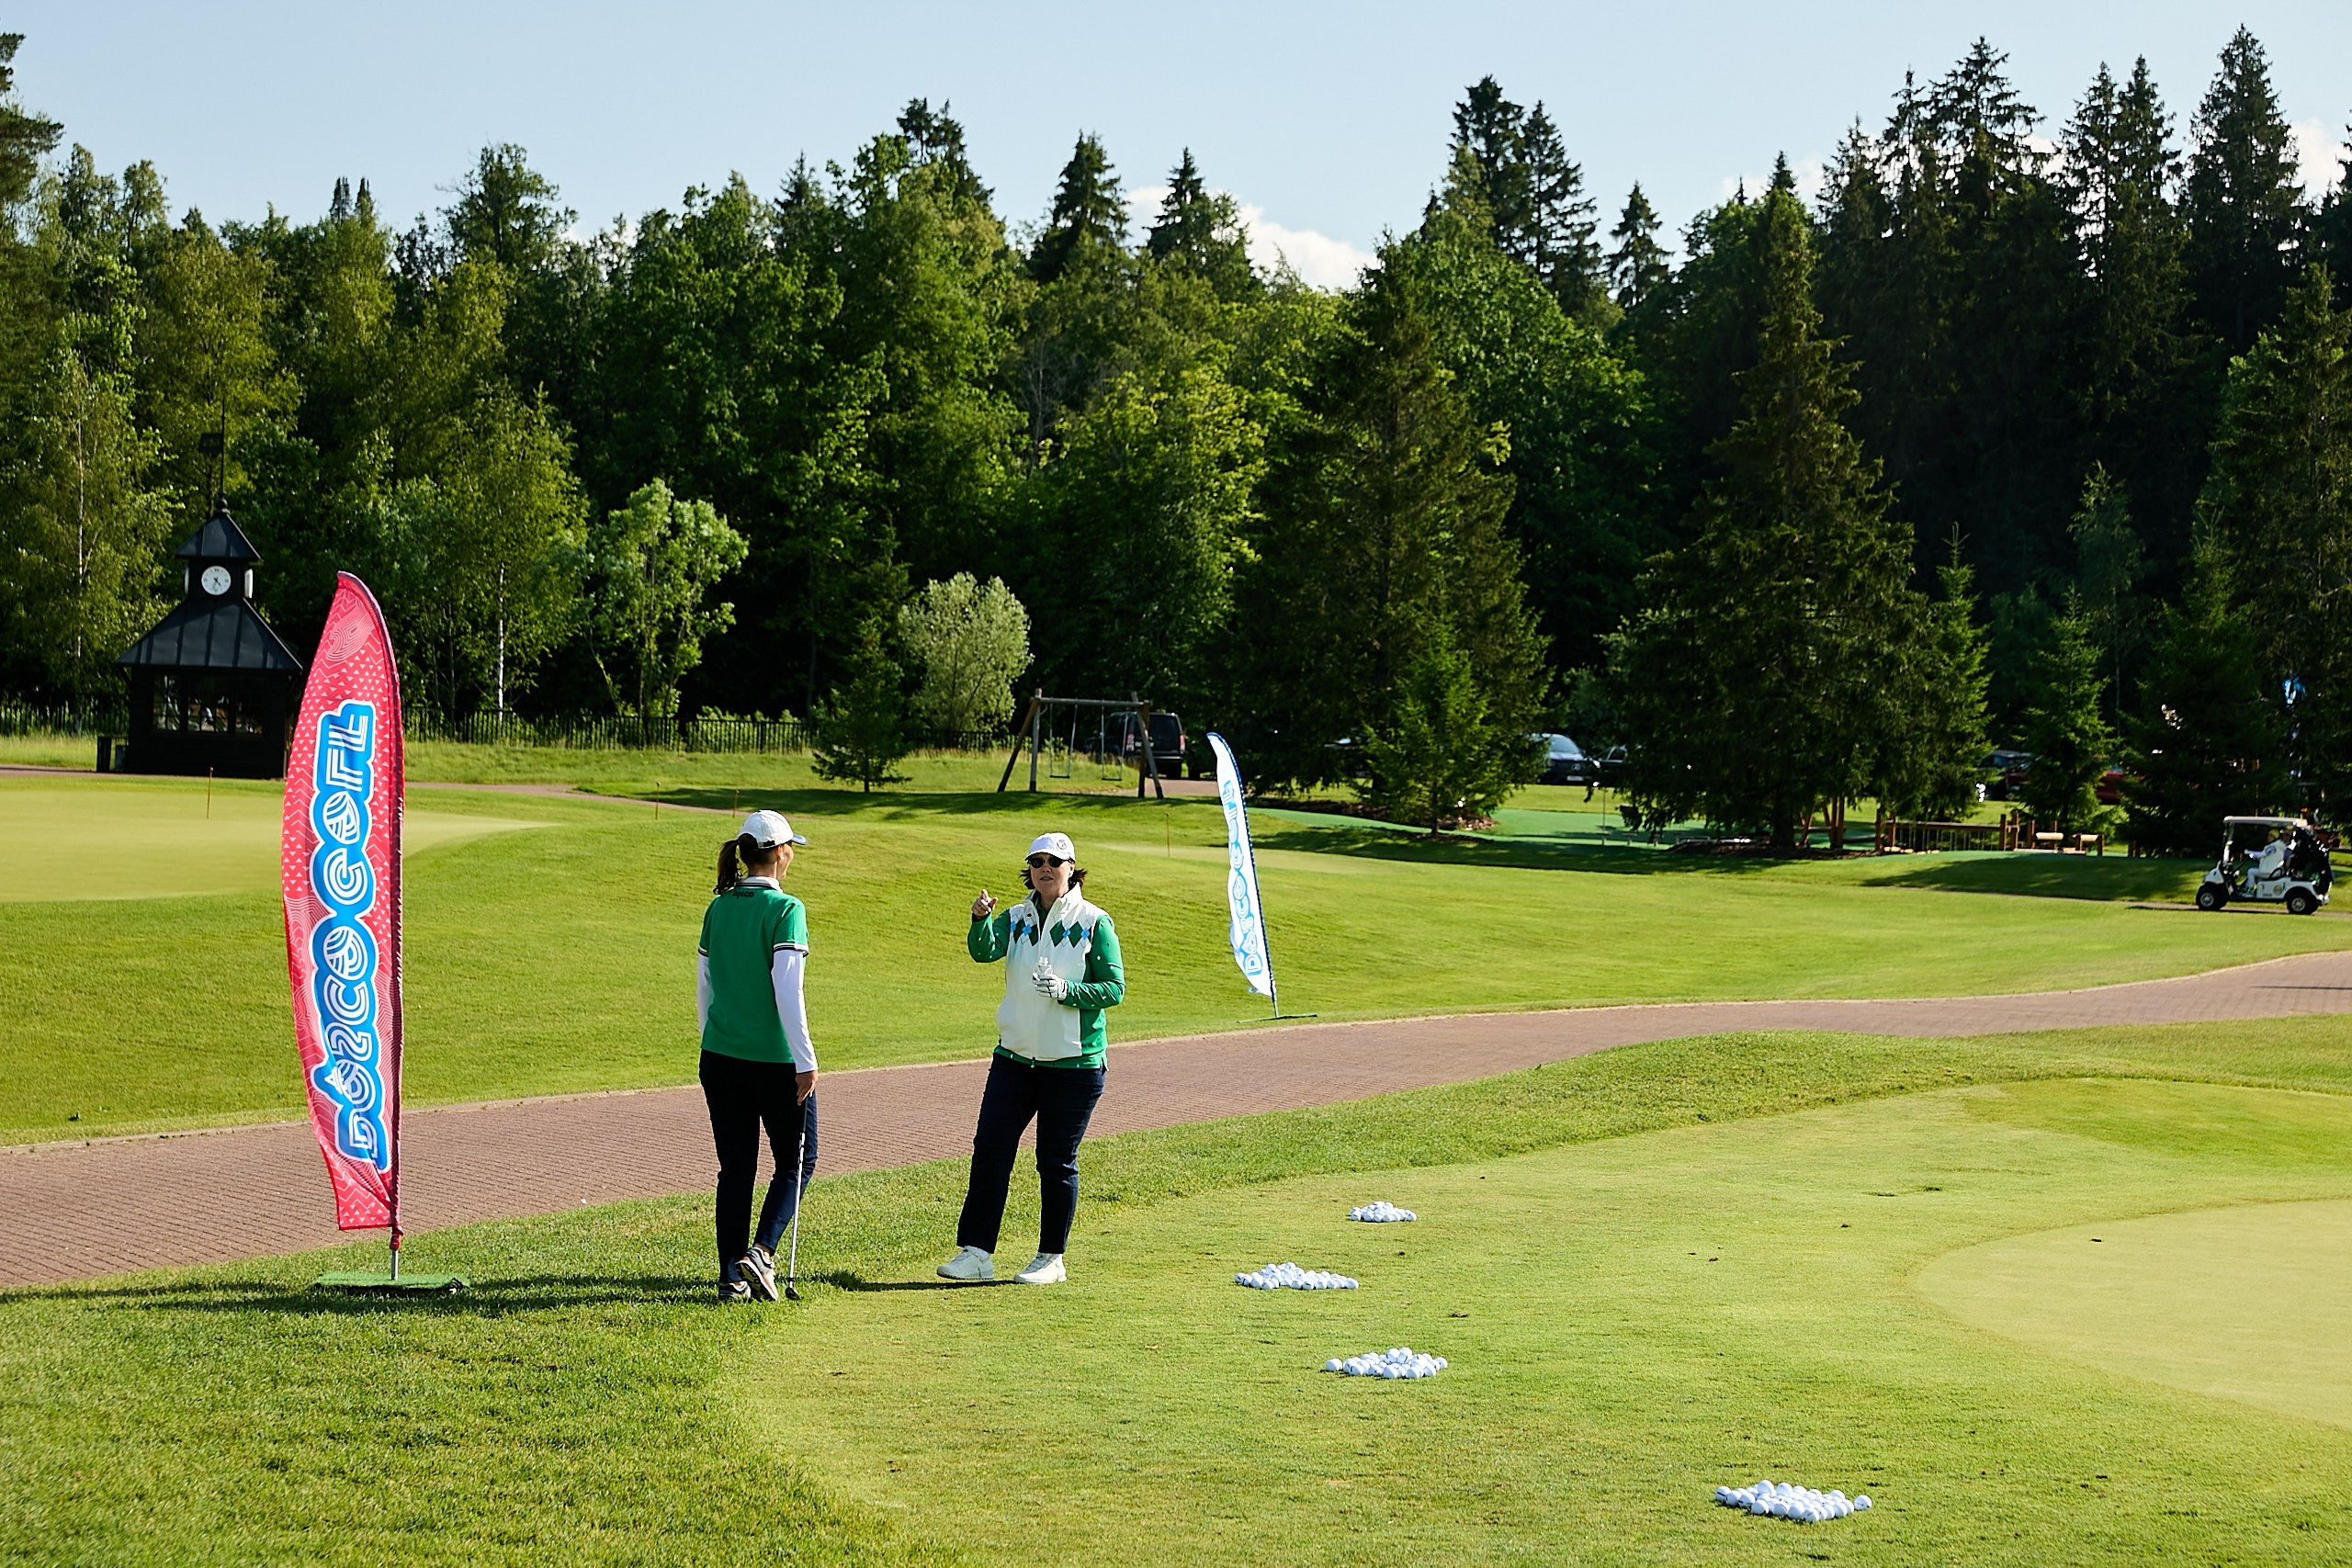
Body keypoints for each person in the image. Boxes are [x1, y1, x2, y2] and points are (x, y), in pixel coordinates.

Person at [938, 830, 1124, 1285]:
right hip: (1015, 1059)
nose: (1045, 869)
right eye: (1037, 861)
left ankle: (1050, 1258)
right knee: (991, 1151)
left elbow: (1114, 989)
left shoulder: (1094, 922)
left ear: (1071, 869)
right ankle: (977, 1253)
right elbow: (983, 951)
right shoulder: (1015, 917)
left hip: (1074, 1064)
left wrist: (1068, 992)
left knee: (1055, 1159)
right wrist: (979, 919)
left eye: (1054, 862)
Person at [696, 809, 819, 1302]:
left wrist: (717, 1038)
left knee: (736, 1168)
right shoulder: (787, 910)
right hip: (775, 1062)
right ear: (782, 853)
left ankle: (730, 1277)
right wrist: (805, 1059)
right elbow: (788, 992)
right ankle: (762, 1253)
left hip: (720, 1057)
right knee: (796, 1163)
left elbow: (705, 988)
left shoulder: (718, 907)